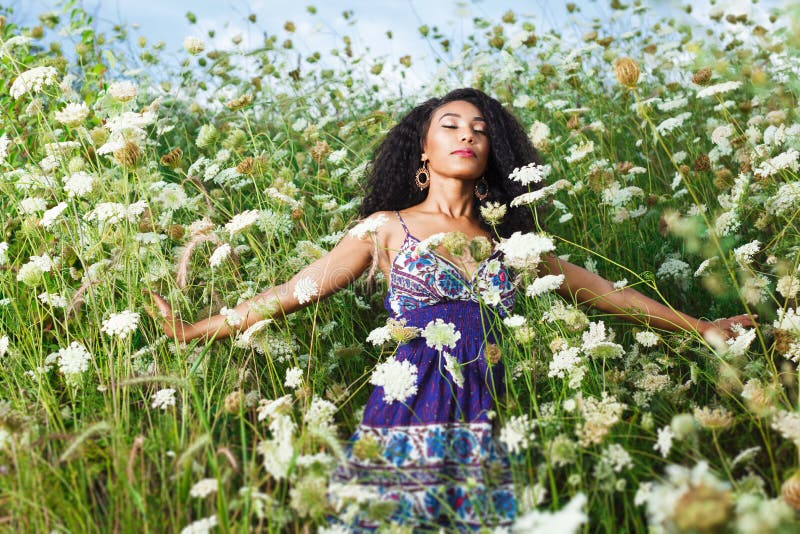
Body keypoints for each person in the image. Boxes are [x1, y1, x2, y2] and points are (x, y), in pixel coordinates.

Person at [144, 88, 756, 531]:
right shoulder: (386, 228)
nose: (468, 135)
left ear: (493, 153)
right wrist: (193, 330)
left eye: (481, 130)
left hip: (494, 406)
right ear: (423, 150)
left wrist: (701, 327)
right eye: (451, 125)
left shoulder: (513, 244)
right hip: (406, 407)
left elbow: (610, 295)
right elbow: (293, 292)